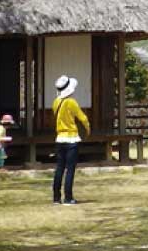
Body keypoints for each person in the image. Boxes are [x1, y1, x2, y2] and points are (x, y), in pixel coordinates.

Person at [52, 74, 89, 204]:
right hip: (71, 138)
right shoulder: (71, 102)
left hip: (59, 138)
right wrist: (87, 129)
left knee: (59, 168)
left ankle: (56, 197)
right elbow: (83, 118)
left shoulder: (56, 102)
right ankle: (68, 197)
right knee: (70, 169)